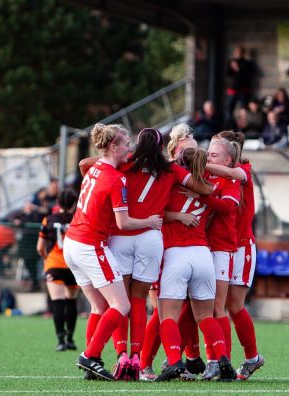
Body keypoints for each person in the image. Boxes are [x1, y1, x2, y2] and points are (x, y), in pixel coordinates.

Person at [80, 126, 212, 381]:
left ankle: (121, 355)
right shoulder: (170, 168)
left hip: (122, 234)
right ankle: (138, 359)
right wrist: (196, 188)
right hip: (151, 236)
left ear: (138, 145)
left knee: (119, 302)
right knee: (139, 301)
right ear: (162, 145)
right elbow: (204, 189)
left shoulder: (126, 162)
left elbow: (85, 165)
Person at [63, 123, 163, 381]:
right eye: (126, 144)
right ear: (113, 146)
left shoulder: (96, 168)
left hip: (72, 243)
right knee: (121, 304)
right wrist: (150, 222)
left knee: (99, 306)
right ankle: (90, 355)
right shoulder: (115, 177)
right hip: (89, 245)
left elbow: (86, 162)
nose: (130, 148)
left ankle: (91, 365)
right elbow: (124, 223)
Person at [156, 147, 236, 382]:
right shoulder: (207, 188)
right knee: (205, 316)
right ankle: (223, 359)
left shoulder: (172, 183)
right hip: (202, 254)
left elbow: (158, 212)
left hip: (176, 254)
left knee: (167, 316)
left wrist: (177, 216)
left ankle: (173, 362)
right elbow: (213, 201)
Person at [206, 131, 264, 381]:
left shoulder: (243, 171)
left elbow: (233, 175)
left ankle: (249, 357)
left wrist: (199, 163)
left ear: (231, 155)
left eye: (214, 153)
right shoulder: (216, 175)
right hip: (220, 246)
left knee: (232, 305)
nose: (209, 156)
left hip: (241, 247)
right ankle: (219, 359)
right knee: (216, 305)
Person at [37, 189, 79, 351]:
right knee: (71, 301)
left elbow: (40, 247)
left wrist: (46, 257)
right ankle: (70, 339)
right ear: (74, 203)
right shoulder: (77, 219)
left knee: (57, 302)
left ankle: (60, 341)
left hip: (54, 263)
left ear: (58, 202)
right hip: (74, 265)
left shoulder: (48, 220)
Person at [12, 202, 43, 292]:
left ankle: (35, 283)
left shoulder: (36, 215)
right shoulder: (21, 215)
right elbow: (13, 220)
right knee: (28, 264)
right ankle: (34, 282)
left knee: (34, 264)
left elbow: (38, 219)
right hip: (25, 244)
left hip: (33, 243)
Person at [225, 45, 255, 128]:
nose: (239, 54)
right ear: (235, 53)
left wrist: (237, 68)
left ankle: (243, 128)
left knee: (244, 111)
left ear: (243, 53)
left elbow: (247, 75)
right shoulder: (231, 62)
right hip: (233, 90)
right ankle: (229, 127)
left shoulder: (247, 63)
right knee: (229, 110)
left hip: (244, 90)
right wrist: (232, 67)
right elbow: (227, 74)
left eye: (240, 52)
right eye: (237, 52)